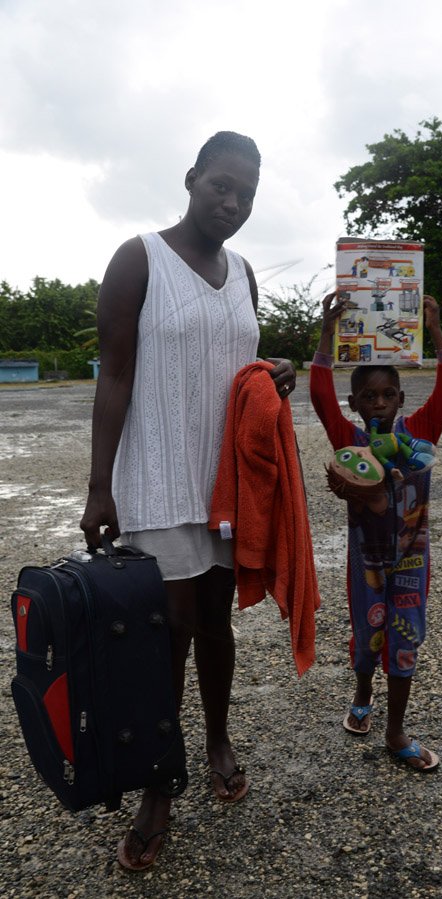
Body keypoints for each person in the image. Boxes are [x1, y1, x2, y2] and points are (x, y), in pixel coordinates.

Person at [80, 131, 296, 870]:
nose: (232, 203)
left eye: (246, 194)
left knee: (214, 622)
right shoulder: (138, 258)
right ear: (192, 178)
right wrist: (98, 485)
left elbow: (239, 367)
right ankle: (159, 784)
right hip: (158, 479)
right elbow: (113, 374)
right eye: (221, 187)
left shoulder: (243, 273)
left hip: (228, 485)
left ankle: (216, 739)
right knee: (166, 631)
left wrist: (273, 378)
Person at [310, 292, 442, 771]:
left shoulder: (421, 433)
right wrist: (326, 335)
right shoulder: (349, 440)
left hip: (413, 557)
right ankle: (361, 694)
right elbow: (317, 394)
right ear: (353, 403)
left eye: (388, 395)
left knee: (406, 637)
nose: (379, 403)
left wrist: (435, 329)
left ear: (401, 399)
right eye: (369, 397)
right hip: (367, 561)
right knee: (367, 633)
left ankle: (396, 732)